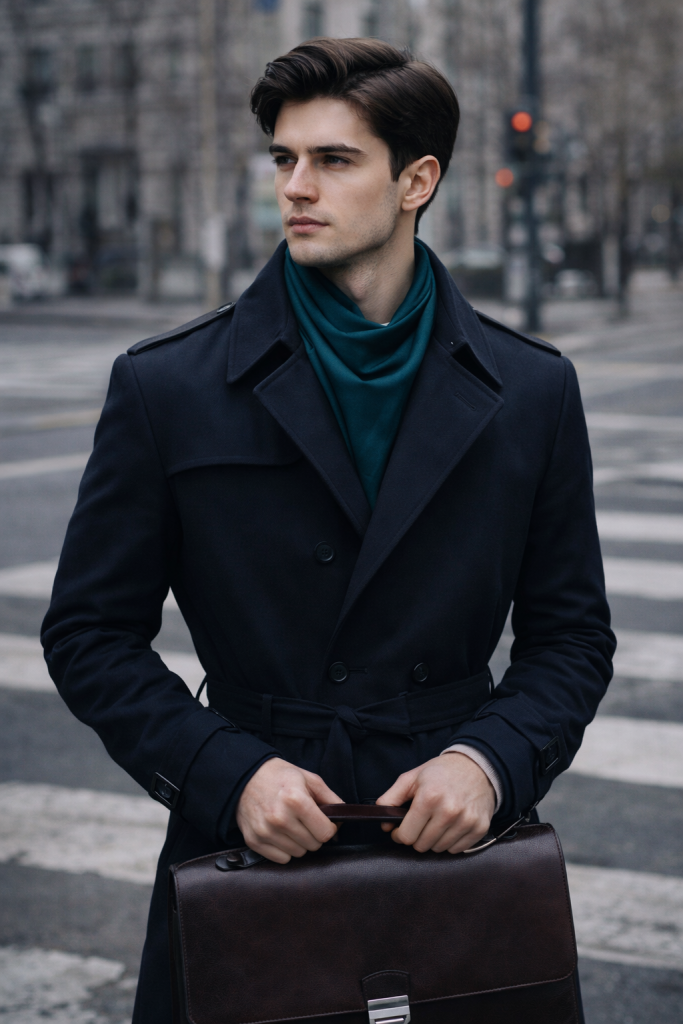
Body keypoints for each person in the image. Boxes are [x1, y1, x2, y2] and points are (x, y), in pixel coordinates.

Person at [42, 37, 613, 1023]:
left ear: (415, 180)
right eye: (283, 159)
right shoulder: (166, 384)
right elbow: (88, 634)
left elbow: (571, 636)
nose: (296, 187)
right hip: (247, 848)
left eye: (333, 160)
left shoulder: (531, 390)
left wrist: (485, 763)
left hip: (455, 854)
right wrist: (228, 773)